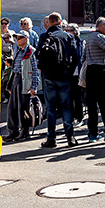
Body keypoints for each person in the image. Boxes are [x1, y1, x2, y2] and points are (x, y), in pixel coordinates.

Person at [35, 12, 80, 147]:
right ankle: (70, 137)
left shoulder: (44, 36)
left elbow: (38, 55)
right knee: (66, 107)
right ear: (60, 22)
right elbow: (76, 56)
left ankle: (51, 138)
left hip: (48, 76)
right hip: (64, 75)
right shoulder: (67, 36)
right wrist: (69, 72)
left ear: (49, 22)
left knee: (51, 109)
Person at [4, 31, 40, 141]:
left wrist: (34, 86)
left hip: (25, 81)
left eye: (19, 38)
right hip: (16, 78)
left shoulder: (31, 52)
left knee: (23, 108)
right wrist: (10, 85)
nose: (17, 40)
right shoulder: (17, 51)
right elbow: (14, 68)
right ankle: (12, 131)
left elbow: (36, 71)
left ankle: (24, 131)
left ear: (26, 39)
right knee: (12, 107)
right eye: (16, 38)